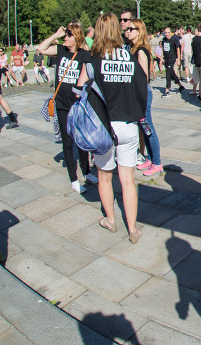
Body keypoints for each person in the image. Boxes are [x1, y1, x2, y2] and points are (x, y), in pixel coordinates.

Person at [79, 13, 147, 244]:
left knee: (105, 176)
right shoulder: (128, 56)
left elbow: (79, 89)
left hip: (103, 126)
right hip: (127, 123)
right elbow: (142, 85)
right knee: (128, 179)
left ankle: (110, 219)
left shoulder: (93, 58)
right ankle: (133, 228)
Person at [36, 23, 98, 192]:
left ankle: (86, 172)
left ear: (76, 38)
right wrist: (55, 35)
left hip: (78, 104)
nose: (65, 38)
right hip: (62, 104)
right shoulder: (60, 50)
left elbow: (92, 74)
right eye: (65, 36)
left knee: (81, 141)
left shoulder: (84, 54)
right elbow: (41, 49)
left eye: (68, 35)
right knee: (68, 142)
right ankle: (73, 179)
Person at [125, 18, 164, 177]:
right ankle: (150, 158)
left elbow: (143, 77)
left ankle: (157, 163)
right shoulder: (133, 48)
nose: (127, 32)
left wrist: (138, 98)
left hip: (142, 94)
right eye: (127, 29)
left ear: (139, 31)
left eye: (131, 29)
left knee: (148, 129)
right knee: (144, 128)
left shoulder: (141, 50)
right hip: (137, 94)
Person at [160, 27, 185, 97]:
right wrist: (162, 58)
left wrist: (179, 59)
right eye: (165, 33)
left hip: (172, 58)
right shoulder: (164, 40)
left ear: (170, 33)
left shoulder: (174, 39)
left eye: (168, 33)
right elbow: (163, 49)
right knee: (172, 73)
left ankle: (167, 90)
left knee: (168, 73)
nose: (167, 34)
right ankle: (180, 86)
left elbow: (178, 49)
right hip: (166, 59)